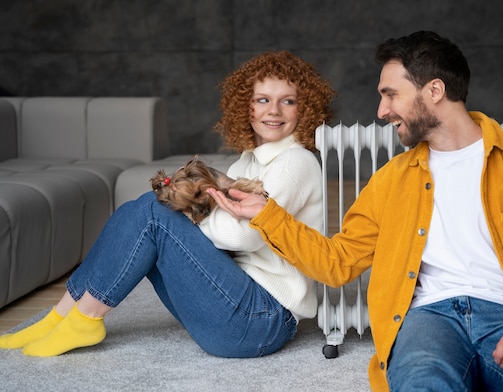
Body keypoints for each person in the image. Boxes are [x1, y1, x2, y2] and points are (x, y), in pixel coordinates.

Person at [209, 31, 503, 392]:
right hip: (427, 319)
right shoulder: (391, 179)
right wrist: (266, 214)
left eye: (390, 94)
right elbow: (337, 263)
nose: (382, 111)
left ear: (434, 91)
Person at [0, 50, 335, 358]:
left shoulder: (296, 162)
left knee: (153, 213)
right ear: (246, 108)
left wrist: (190, 210)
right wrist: (196, 208)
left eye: (287, 101)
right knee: (145, 207)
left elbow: (243, 237)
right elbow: (224, 231)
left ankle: (85, 318)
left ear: (304, 109)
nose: (273, 111)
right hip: (236, 304)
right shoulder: (247, 163)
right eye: (262, 100)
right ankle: (59, 317)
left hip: (262, 320)